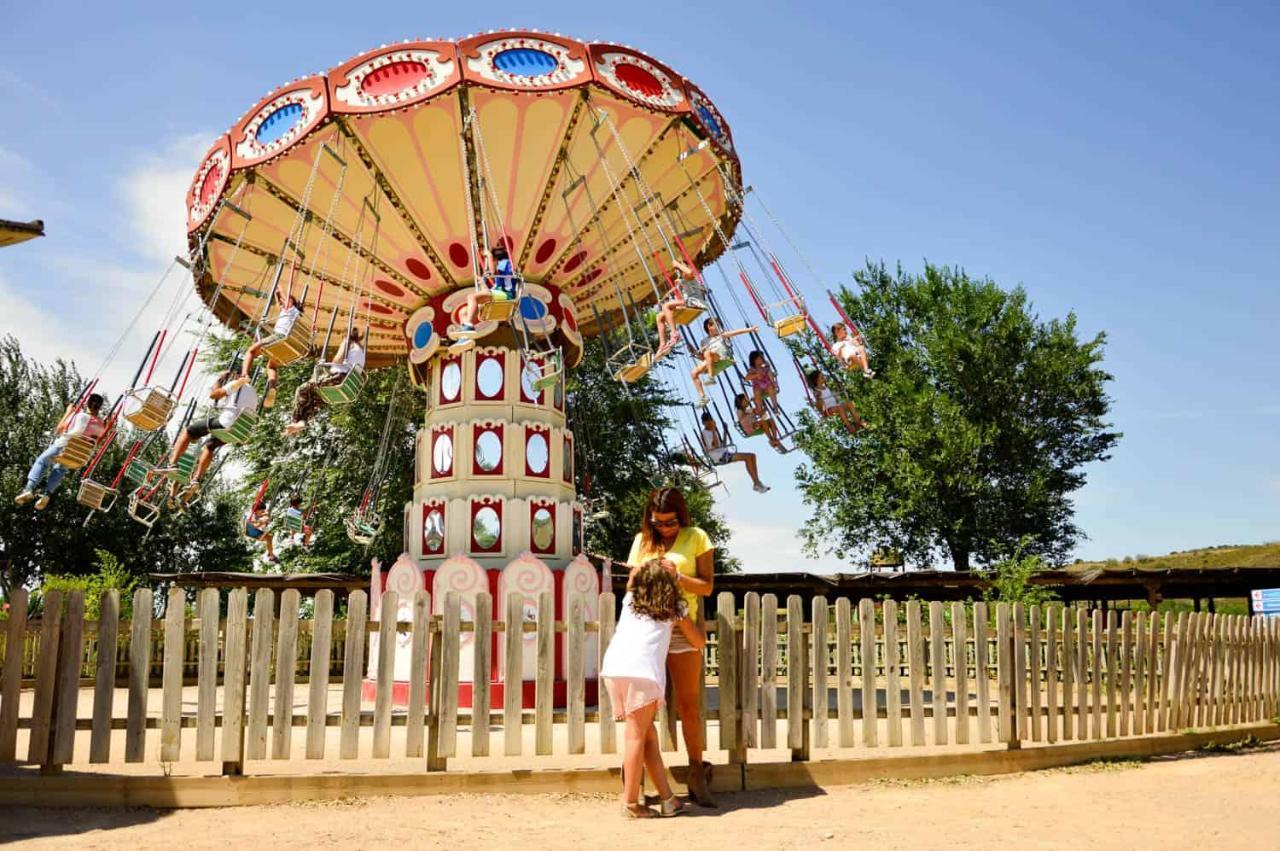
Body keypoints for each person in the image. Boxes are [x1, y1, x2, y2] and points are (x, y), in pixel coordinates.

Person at [624, 488, 716, 807]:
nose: (663, 528)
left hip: (680, 622)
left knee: (688, 705)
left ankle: (697, 775)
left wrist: (677, 577)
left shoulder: (697, 537)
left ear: (681, 515)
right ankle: (638, 782)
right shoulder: (642, 540)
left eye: (670, 522)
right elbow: (631, 584)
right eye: (658, 522)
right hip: (646, 627)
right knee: (640, 710)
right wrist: (645, 574)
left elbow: (706, 586)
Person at [601, 559, 704, 818]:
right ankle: (630, 804)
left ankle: (668, 800)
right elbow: (698, 641)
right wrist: (678, 576)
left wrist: (644, 567)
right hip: (642, 672)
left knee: (648, 738)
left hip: (615, 668)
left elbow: (632, 579)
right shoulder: (675, 607)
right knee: (636, 736)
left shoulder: (630, 600)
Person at [158, 371, 259, 500]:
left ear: (236, 376)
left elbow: (213, 395)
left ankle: (172, 464)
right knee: (209, 446)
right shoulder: (254, 392)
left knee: (188, 431)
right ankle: (196, 479)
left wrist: (219, 379)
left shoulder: (236, 384)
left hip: (226, 424)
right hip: (239, 431)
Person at [16, 392, 108, 510]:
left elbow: (58, 430)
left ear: (87, 403)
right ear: (99, 407)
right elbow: (97, 442)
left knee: (41, 461)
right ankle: (47, 494)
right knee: (60, 469)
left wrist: (68, 412)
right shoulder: (101, 426)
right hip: (77, 455)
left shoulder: (80, 416)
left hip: (64, 446)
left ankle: (28, 489)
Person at [284, 326, 366, 436]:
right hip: (349, 384)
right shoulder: (361, 350)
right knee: (314, 398)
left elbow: (338, 360)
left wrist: (326, 363)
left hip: (338, 377)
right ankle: (302, 422)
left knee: (302, 389)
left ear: (345, 335)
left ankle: (294, 421)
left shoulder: (347, 342)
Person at [242, 288, 304, 408]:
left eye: (285, 301)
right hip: (289, 345)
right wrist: (277, 293)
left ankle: (244, 375)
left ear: (291, 303)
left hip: (280, 337)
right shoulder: (294, 314)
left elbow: (284, 300)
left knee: (251, 350)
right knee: (271, 366)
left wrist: (281, 288)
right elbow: (279, 302)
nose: (282, 303)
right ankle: (272, 388)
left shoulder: (290, 309)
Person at [690, 317, 755, 407]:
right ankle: (703, 397)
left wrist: (750, 329)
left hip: (722, 358)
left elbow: (736, 332)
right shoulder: (704, 341)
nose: (717, 327)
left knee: (708, 353)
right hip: (711, 361)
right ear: (708, 327)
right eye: (714, 325)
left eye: (718, 325)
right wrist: (694, 352)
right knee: (693, 373)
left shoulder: (722, 335)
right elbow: (704, 358)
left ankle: (711, 377)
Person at [456, 243, 519, 334]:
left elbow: (493, 272)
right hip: (499, 295)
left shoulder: (505, 262)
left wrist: (489, 256)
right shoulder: (499, 281)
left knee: (471, 297)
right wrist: (482, 282)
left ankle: (469, 324)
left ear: (495, 259)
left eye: (492, 260)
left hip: (506, 295)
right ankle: (464, 336)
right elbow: (488, 289)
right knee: (463, 312)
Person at [700, 411, 769, 493]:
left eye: (711, 420)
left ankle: (757, 482)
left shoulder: (712, 431)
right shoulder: (705, 433)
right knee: (747, 457)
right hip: (720, 457)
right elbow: (715, 445)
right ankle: (756, 483)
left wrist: (725, 431)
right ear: (704, 423)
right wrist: (714, 430)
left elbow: (723, 444)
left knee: (752, 456)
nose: (710, 422)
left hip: (724, 453)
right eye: (708, 421)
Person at [654, 261, 703, 357]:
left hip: (695, 301)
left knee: (666, 306)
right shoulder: (683, 280)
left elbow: (689, 272)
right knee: (659, 316)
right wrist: (665, 296)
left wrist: (678, 264)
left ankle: (674, 333)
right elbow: (674, 289)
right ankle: (662, 344)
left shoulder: (691, 276)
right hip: (688, 302)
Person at [743, 350, 780, 415]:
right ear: (755, 360)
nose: (763, 359)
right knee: (756, 392)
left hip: (767, 385)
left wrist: (769, 367)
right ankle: (760, 408)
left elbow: (770, 373)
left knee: (771, 388)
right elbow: (746, 378)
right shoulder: (752, 369)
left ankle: (775, 407)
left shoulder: (765, 367)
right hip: (758, 386)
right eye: (761, 358)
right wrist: (756, 375)